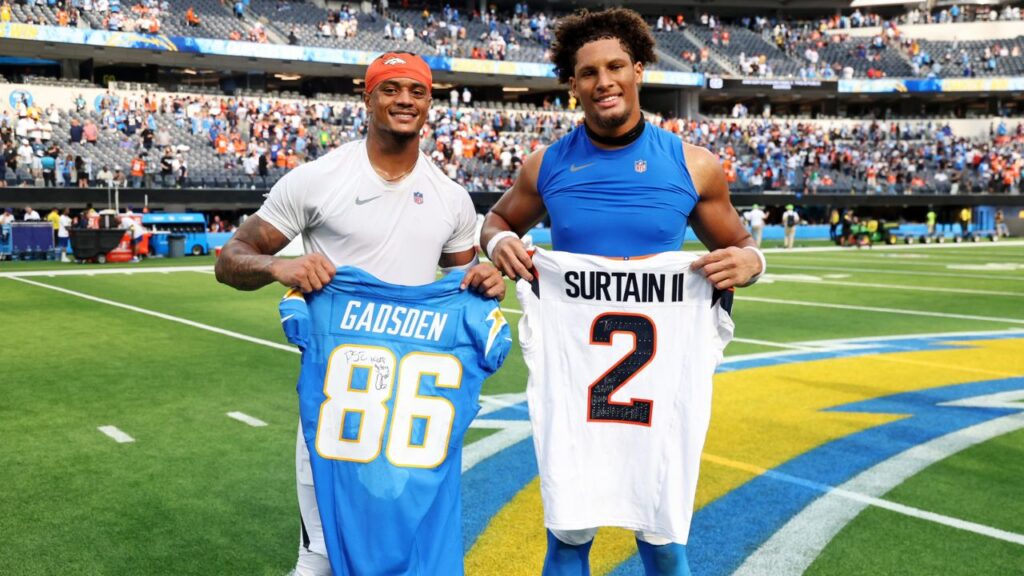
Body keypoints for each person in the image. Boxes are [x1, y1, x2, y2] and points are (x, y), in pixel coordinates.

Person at [480, 9, 763, 576]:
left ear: (638, 70)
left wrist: (749, 260)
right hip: (576, 384)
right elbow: (496, 221)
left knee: (661, 541)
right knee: (568, 534)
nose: (602, 81)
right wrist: (498, 244)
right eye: (587, 73)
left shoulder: (693, 164)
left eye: (615, 67)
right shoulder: (546, 166)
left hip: (659, 389)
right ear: (573, 84)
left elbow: (742, 246)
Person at [215, 52, 506, 576]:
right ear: (367, 97)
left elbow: (466, 284)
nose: (404, 101)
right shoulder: (316, 180)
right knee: (322, 555)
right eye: (390, 89)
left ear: (429, 102)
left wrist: (486, 280)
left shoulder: (452, 198)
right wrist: (281, 267)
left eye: (415, 91)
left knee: (408, 548)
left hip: (415, 406)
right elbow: (230, 259)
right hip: (340, 398)